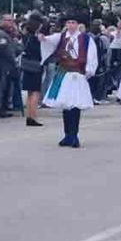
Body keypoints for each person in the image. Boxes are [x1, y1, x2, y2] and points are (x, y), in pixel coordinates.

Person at [41, 12, 98, 148]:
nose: (71, 25)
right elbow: (48, 40)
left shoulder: (85, 39)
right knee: (65, 106)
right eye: (68, 23)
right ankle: (67, 135)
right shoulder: (61, 37)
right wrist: (43, 38)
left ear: (78, 25)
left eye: (73, 23)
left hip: (77, 74)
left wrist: (88, 71)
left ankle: (74, 135)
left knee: (75, 106)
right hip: (63, 74)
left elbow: (91, 55)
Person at [20, 17, 45, 127]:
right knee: (35, 92)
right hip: (35, 65)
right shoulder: (36, 39)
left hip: (26, 65)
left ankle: (29, 115)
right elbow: (40, 53)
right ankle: (33, 116)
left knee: (30, 92)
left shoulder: (25, 37)